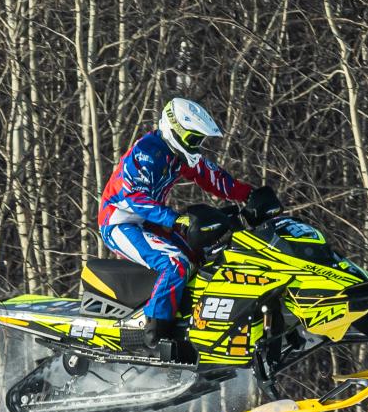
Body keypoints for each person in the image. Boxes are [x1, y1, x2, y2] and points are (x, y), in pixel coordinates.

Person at [98, 98, 275, 348]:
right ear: (174, 131)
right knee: (175, 263)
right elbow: (134, 197)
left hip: (150, 221)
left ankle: (193, 323)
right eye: (194, 139)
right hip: (119, 222)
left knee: (201, 254)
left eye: (199, 141)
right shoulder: (147, 153)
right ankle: (156, 328)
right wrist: (174, 218)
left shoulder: (178, 155)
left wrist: (247, 195)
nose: (197, 146)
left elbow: (212, 177)